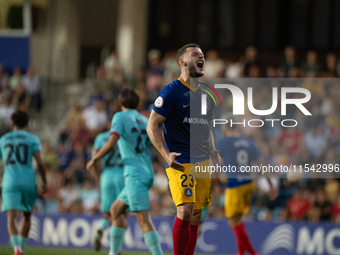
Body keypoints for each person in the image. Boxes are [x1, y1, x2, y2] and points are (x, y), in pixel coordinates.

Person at [147, 43, 220, 255]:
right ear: (182, 61)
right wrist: (165, 154)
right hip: (180, 161)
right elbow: (152, 125)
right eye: (195, 54)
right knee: (185, 210)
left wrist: (213, 150)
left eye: (203, 55)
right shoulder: (171, 92)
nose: (201, 57)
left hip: (202, 162)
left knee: (197, 214)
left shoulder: (208, 95)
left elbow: (207, 129)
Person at [86, 88, 163, 255]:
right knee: (115, 210)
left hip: (134, 173)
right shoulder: (145, 119)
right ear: (138, 103)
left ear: (119, 103)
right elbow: (157, 145)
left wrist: (95, 158)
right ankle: (113, 253)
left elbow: (112, 143)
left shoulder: (119, 117)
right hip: (146, 170)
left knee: (143, 220)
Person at [217, 124, 273, 255]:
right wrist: (270, 185)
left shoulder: (223, 142)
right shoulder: (248, 143)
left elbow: (215, 162)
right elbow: (262, 164)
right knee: (239, 220)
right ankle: (241, 252)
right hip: (248, 184)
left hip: (235, 185)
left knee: (233, 221)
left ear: (225, 126)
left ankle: (252, 253)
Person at [0, 110, 48, 255]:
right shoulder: (33, 139)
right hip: (28, 180)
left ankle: (17, 249)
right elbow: (40, 163)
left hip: (10, 180)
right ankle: (21, 247)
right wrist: (44, 182)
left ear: (12, 123)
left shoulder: (3, 139)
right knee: (27, 216)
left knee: (11, 217)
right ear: (27, 123)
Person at [89, 127, 126, 251]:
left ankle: (101, 227)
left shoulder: (100, 138)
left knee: (107, 213)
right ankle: (117, 248)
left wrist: (98, 178)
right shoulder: (124, 135)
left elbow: (94, 160)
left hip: (106, 175)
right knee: (122, 214)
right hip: (122, 174)